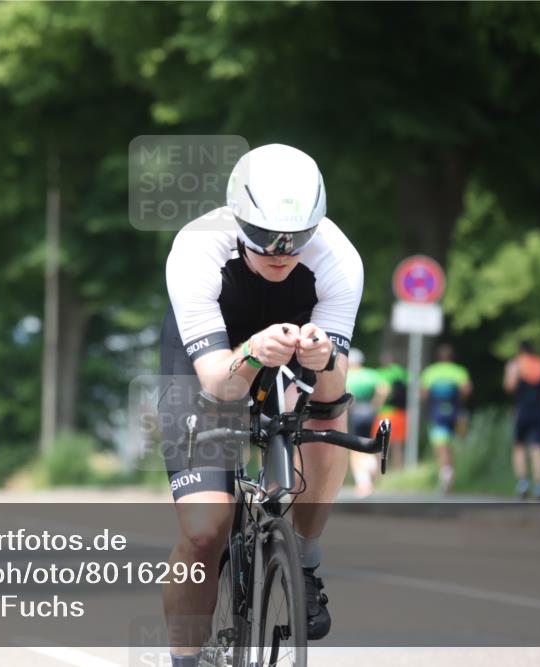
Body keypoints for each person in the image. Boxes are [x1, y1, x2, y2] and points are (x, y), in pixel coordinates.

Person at [159, 143, 363, 664]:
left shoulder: (338, 259)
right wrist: (250, 351)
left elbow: (333, 385)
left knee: (327, 409)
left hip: (290, 355)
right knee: (206, 533)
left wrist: (323, 358)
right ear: (237, 217)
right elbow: (218, 385)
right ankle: (184, 659)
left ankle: (307, 560)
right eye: (264, 237)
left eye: (295, 241)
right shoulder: (197, 248)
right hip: (211, 365)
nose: (279, 251)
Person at [504, 341, 540, 500]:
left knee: (519, 446)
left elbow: (509, 387)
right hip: (539, 410)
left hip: (521, 411)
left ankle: (523, 483)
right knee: (538, 448)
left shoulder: (516, 364)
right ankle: (539, 487)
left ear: (520, 351)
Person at [420, 343, 472, 494]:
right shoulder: (459, 371)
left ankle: (446, 475)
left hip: (437, 414)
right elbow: (467, 390)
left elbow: (423, 394)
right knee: (454, 446)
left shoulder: (430, 372)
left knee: (441, 447)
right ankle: (450, 475)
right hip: (456, 413)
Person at [345, 348, 388, 496]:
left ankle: (363, 482)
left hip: (354, 412)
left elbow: (345, 391)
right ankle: (372, 463)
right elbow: (384, 389)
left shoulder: (347, 375)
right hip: (370, 411)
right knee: (370, 440)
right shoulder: (371, 373)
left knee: (355, 447)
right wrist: (376, 404)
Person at [375, 352, 408, 471]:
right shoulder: (402, 372)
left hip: (386, 412)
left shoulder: (385, 373)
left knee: (381, 443)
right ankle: (398, 470)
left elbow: (383, 390)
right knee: (397, 444)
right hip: (401, 412)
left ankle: (381, 471)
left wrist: (376, 405)